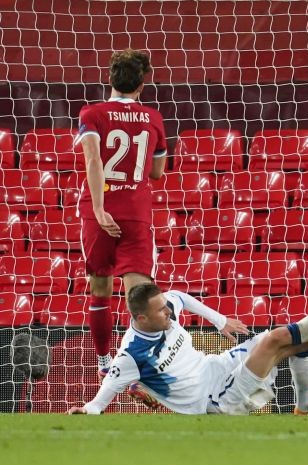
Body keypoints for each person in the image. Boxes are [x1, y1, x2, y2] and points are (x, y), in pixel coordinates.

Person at [67, 271, 308, 415]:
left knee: (301, 341)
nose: (169, 311)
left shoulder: (168, 307)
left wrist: (220, 321)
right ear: (141, 319)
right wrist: (85, 410)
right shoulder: (130, 357)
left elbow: (181, 297)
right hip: (214, 402)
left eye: (165, 305)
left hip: (218, 367)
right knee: (276, 339)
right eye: (160, 310)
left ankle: (305, 404)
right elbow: (98, 402)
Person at [75, 48, 168, 376]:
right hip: (136, 214)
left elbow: (93, 160)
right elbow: (157, 172)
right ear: (142, 85)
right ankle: (140, 367)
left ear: (110, 80)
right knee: (139, 297)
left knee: (100, 288)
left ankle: (104, 364)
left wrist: (100, 210)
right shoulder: (153, 118)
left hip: (98, 214)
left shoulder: (92, 114)